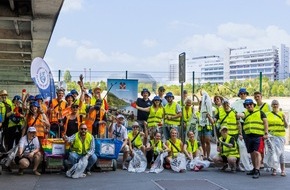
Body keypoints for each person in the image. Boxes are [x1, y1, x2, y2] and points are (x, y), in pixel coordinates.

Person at [237, 99, 268, 179]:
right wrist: (238, 114)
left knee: (257, 152)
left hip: (258, 136)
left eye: (250, 104)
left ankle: (257, 170)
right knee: (251, 153)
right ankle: (254, 168)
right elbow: (241, 115)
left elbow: (265, 122)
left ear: (253, 105)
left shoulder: (260, 112)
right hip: (248, 136)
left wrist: (266, 133)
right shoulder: (245, 113)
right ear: (245, 106)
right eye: (247, 105)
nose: (249, 106)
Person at [266, 100, 288, 177]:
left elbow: (286, 126)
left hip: (280, 136)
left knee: (281, 153)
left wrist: (284, 119)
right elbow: (265, 125)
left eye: (276, 104)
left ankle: (283, 170)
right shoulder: (268, 114)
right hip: (271, 137)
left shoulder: (282, 114)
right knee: (273, 153)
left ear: (278, 105)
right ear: (271, 106)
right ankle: (274, 169)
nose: (275, 106)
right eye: (274, 104)